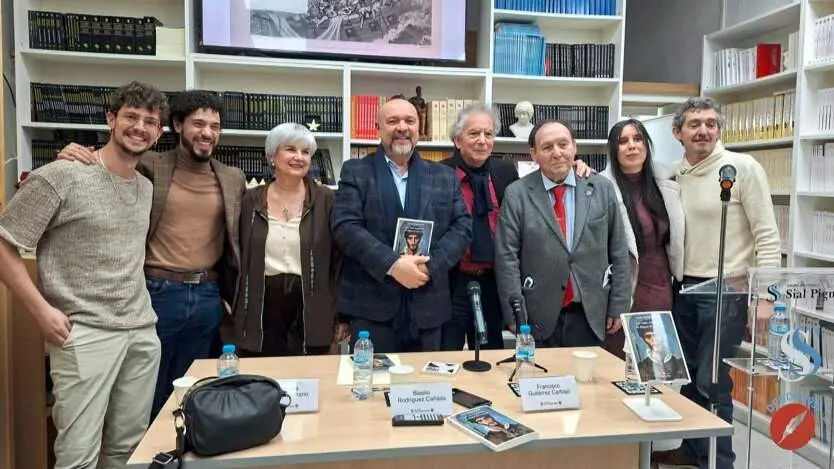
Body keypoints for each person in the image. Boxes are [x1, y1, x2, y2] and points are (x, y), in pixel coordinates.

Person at [0, 81, 167, 469]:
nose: (140, 127)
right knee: (78, 456)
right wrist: (41, 311)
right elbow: (5, 245)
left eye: (150, 121)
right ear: (110, 119)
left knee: (127, 451)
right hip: (85, 332)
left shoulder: (144, 186)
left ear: (159, 133)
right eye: (131, 117)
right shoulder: (62, 175)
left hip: (141, 331)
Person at [57, 90, 248, 420]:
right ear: (176, 125)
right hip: (155, 294)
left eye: (215, 126)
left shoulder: (233, 178)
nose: (207, 133)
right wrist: (71, 153)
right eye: (198, 124)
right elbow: (108, 162)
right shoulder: (150, 164)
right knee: (145, 396)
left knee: (192, 393)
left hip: (208, 298)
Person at [652, 97, 781, 469]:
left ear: (719, 129)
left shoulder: (742, 168)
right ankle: (692, 451)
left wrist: (765, 296)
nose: (703, 130)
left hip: (726, 293)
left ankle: (719, 461)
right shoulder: (673, 175)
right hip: (683, 291)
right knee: (689, 378)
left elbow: (768, 236)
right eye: (694, 124)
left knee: (713, 380)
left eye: (710, 123)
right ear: (678, 133)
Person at [331, 97, 472, 353]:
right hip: (372, 309)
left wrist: (429, 267)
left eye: (410, 121)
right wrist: (393, 265)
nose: (402, 127)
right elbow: (346, 227)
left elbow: (462, 227)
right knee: (373, 387)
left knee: (425, 390)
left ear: (419, 128)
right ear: (378, 128)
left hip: (428, 305)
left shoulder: (444, 176)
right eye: (392, 121)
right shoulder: (356, 171)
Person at [494, 119, 630, 347]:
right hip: (537, 315)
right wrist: (514, 314)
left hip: (591, 312)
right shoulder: (517, 194)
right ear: (534, 154)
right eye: (547, 147)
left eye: (563, 144)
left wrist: (619, 304)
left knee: (588, 381)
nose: (556, 153)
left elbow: (618, 249)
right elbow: (506, 259)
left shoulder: (601, 188)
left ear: (574, 148)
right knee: (539, 382)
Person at [230, 123, 348, 357]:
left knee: (312, 381)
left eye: (305, 152)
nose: (299, 157)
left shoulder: (326, 199)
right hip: (260, 304)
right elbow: (234, 252)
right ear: (272, 156)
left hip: (313, 304)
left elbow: (339, 261)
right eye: (291, 149)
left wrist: (341, 315)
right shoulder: (249, 200)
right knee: (263, 380)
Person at [599, 118, 684, 359]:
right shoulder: (601, 187)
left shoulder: (667, 183)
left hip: (659, 287)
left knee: (654, 363)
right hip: (620, 290)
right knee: (616, 365)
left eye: (638, 139)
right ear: (613, 150)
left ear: (647, 145)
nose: (632, 146)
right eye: (623, 141)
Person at [439, 104, 519, 351]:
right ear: (457, 140)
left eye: (488, 134)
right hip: (451, 283)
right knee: (445, 354)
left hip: (492, 284)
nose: (482, 141)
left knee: (489, 354)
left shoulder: (506, 172)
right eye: (474, 134)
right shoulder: (438, 173)